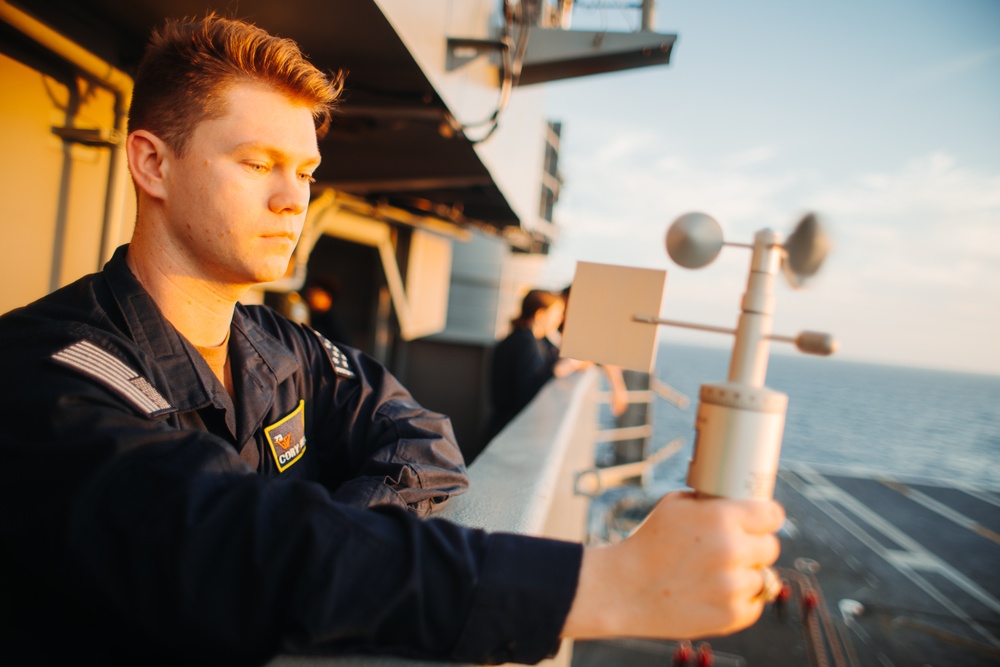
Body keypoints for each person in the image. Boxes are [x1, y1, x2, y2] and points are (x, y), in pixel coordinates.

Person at [0, 14, 784, 666]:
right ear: (151, 163)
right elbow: (229, 539)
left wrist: (346, 532)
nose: (290, 198)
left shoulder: (280, 347)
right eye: (257, 162)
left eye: (305, 172)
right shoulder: (42, 373)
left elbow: (420, 437)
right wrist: (615, 583)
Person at [488, 289, 588, 437]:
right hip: (511, 429)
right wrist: (557, 371)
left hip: (508, 424)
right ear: (540, 315)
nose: (560, 318)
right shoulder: (526, 343)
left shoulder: (530, 340)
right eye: (557, 313)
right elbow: (527, 392)